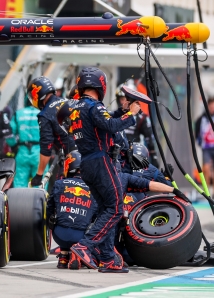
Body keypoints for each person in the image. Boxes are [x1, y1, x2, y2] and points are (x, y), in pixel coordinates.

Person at [64, 67, 140, 273]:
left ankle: (107, 258)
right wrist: (132, 114)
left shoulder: (75, 107)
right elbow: (111, 125)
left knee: (105, 209)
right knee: (116, 208)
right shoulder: (93, 106)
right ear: (101, 85)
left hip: (86, 163)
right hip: (100, 161)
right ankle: (84, 246)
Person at [47, 150, 98, 269]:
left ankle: (63, 257)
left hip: (59, 235)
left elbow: (49, 208)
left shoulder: (59, 183)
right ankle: (79, 253)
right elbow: (96, 214)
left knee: (58, 216)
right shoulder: (94, 187)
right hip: (81, 237)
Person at [28, 77, 75, 187]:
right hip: (91, 154)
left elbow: (46, 146)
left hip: (72, 160)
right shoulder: (69, 101)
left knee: (59, 194)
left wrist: (39, 175)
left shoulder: (45, 114)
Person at [115, 80, 158, 167]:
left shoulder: (142, 117)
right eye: (122, 99)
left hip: (135, 154)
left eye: (127, 99)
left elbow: (149, 137)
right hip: (116, 154)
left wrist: (153, 155)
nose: (124, 102)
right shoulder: (115, 115)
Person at [6, 95, 40, 187]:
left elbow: (9, 135)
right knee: (40, 183)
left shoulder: (18, 113)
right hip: (40, 152)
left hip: (22, 151)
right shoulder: (43, 113)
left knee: (19, 183)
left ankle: (18, 201)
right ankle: (38, 201)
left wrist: (13, 146)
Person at [198, 97, 214, 195]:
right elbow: (198, 130)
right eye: (211, 105)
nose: (213, 107)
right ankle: (207, 190)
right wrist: (199, 141)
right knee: (206, 168)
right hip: (207, 147)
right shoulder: (203, 118)